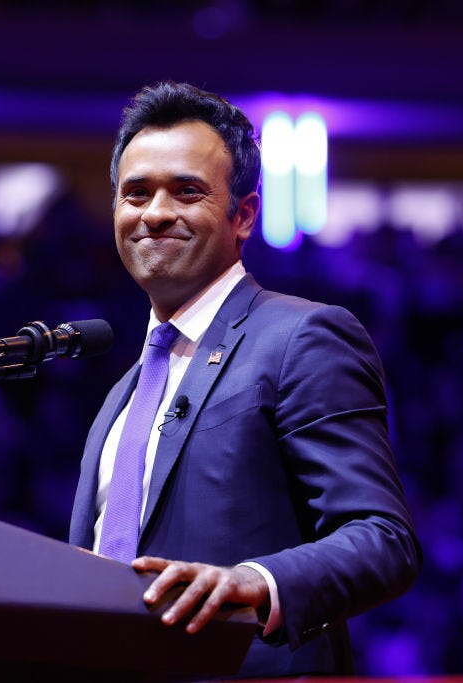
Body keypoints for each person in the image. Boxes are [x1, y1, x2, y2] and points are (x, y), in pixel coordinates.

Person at [68, 81, 421, 677]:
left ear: (244, 216)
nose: (155, 213)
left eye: (187, 191)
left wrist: (255, 582)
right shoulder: (123, 394)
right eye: (136, 194)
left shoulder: (301, 337)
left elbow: (383, 538)